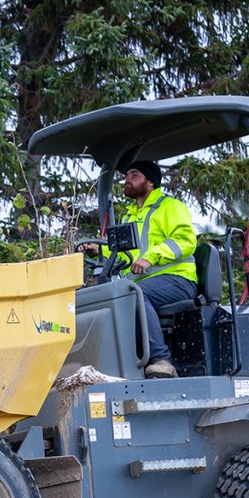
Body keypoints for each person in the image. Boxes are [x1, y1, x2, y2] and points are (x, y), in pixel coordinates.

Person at [86, 160, 197, 379]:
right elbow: (121, 253)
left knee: (132, 294)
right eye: (126, 175)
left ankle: (160, 360)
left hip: (178, 280)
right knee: (109, 296)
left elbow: (185, 240)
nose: (127, 179)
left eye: (134, 175)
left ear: (150, 182)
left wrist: (150, 258)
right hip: (143, 283)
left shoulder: (170, 207)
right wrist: (97, 251)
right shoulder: (129, 216)